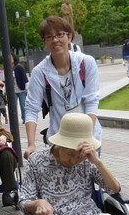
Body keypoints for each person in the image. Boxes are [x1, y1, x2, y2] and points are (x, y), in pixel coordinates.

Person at [23, 15, 102, 158]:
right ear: (45, 42)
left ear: (69, 37)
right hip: (59, 141)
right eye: (49, 37)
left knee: (90, 178)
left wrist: (87, 138)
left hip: (89, 137)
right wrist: (31, 144)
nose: (55, 40)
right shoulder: (40, 72)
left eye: (60, 34)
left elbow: (91, 101)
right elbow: (31, 108)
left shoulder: (86, 63)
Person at [12, 54, 29, 123]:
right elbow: (6, 80)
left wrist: (26, 88)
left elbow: (24, 78)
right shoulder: (8, 68)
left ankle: (24, 118)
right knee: (13, 105)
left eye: (11, 57)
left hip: (21, 89)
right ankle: (14, 119)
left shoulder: (19, 67)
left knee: (23, 105)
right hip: (13, 90)